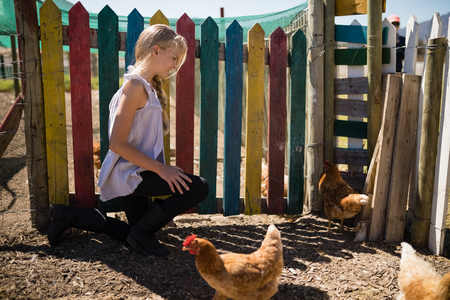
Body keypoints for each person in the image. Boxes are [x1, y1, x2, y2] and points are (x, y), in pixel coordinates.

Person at [47, 24, 209, 257]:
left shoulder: (148, 88)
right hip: (131, 174)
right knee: (199, 188)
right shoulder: (134, 86)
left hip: (141, 172)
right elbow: (117, 143)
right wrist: (163, 170)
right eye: (173, 58)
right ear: (155, 51)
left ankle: (69, 215)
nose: (175, 65)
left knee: (135, 231)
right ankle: (141, 234)